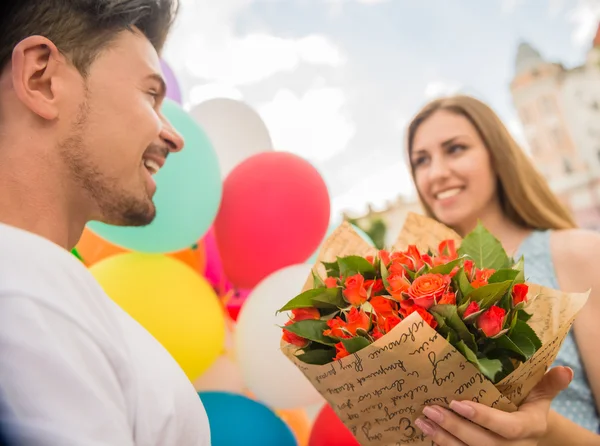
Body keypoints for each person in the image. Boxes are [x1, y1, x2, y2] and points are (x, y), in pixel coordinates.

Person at [0, 0, 211, 444]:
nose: (173, 135)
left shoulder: (48, 291)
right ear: (42, 79)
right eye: (151, 95)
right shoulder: (22, 287)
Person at [404, 94, 600, 445]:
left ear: (497, 156)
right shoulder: (413, 288)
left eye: (455, 149)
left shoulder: (578, 253)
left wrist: (545, 431)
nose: (436, 172)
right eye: (421, 160)